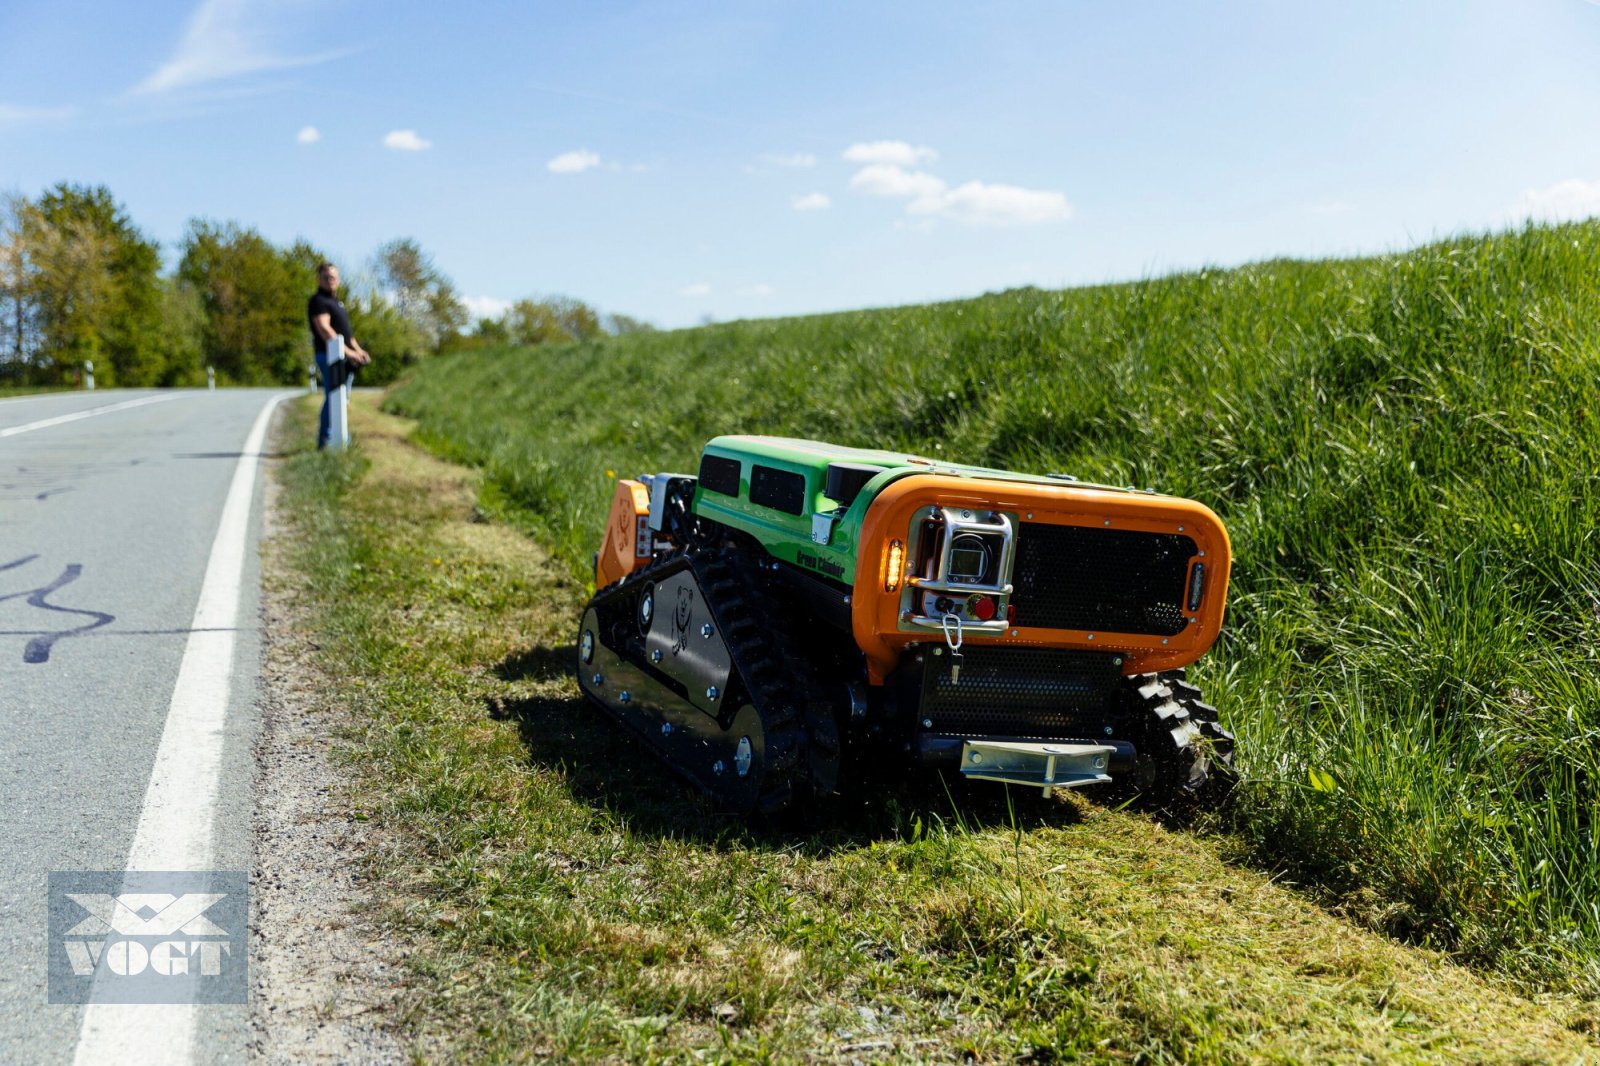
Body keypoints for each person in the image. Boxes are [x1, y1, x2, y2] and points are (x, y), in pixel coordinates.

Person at [307, 262, 371, 448]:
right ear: (319, 279)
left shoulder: (336, 303)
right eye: (326, 277)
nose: (330, 281)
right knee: (335, 396)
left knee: (341, 398)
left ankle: (339, 437)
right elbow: (325, 329)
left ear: (338, 280)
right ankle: (327, 440)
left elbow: (347, 334)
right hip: (329, 356)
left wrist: (358, 351)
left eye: (333, 277)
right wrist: (348, 352)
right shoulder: (319, 301)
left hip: (342, 355)